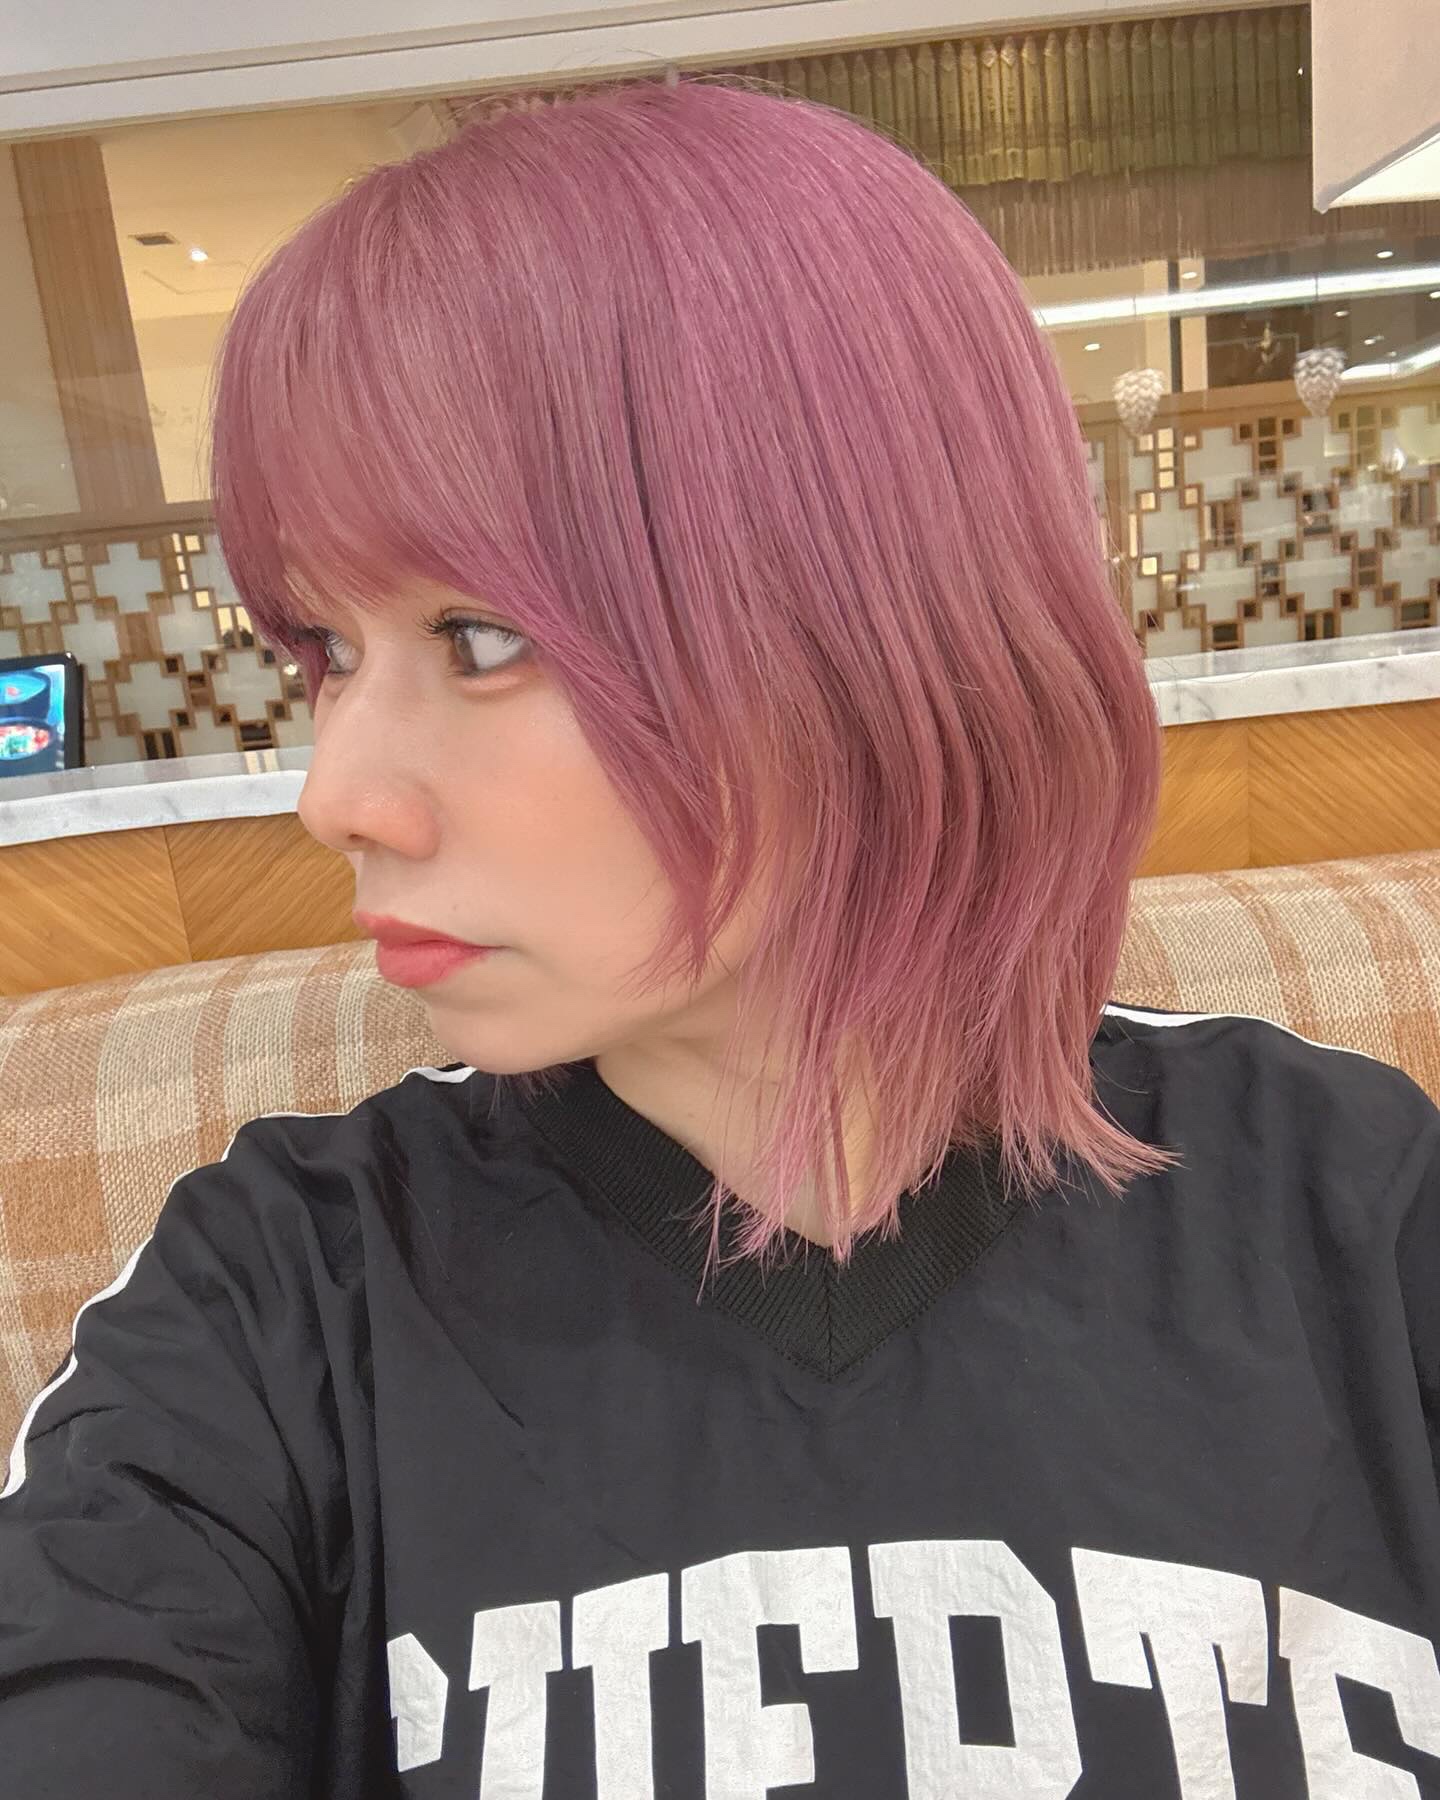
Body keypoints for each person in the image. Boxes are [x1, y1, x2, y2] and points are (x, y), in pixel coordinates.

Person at [1, 74, 1438, 1800]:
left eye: (479, 636)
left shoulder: (1362, 1215)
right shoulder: (274, 1299)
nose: (339, 796)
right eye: (325, 650)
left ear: (867, 615)